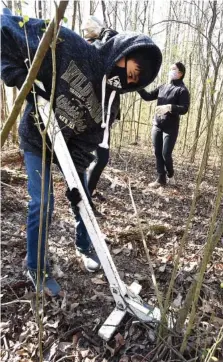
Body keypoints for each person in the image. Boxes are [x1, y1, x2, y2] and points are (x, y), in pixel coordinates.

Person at [1, 13, 162, 296]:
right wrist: (16, 75)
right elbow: (8, 29)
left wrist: (76, 180)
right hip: (37, 139)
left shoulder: (108, 108)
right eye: (130, 68)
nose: (127, 78)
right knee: (43, 203)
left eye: (135, 79)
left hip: (66, 147)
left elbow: (86, 144)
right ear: (121, 53)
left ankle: (85, 246)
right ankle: (36, 267)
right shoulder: (72, 46)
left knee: (84, 198)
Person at [139, 62, 190, 188]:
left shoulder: (182, 90)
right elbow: (148, 96)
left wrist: (169, 107)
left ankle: (170, 174)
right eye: (170, 68)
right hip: (157, 124)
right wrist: (138, 86)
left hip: (171, 126)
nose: (171, 71)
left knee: (166, 153)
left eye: (174, 69)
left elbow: (184, 109)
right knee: (157, 152)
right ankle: (160, 179)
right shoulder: (163, 86)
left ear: (180, 73)